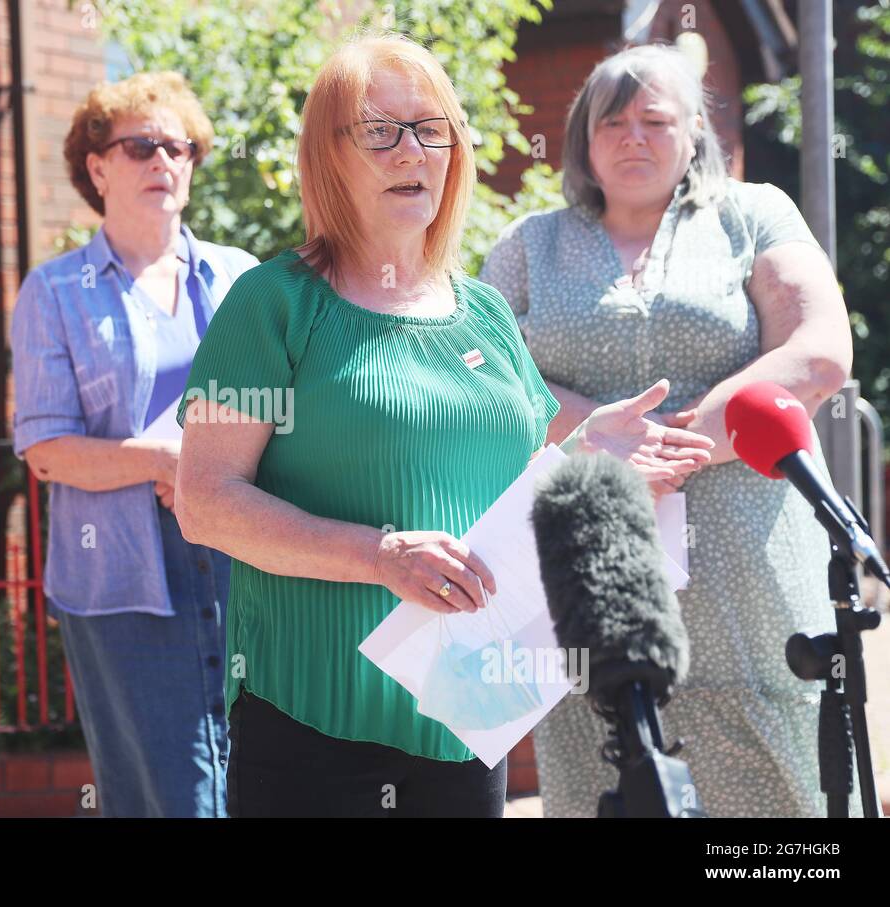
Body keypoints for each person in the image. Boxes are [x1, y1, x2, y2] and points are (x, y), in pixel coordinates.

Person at [172, 32, 714, 818]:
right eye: (380, 130)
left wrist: (595, 456)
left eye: (431, 128)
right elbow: (206, 500)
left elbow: (519, 490)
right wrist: (378, 555)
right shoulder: (272, 303)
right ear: (329, 155)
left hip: (468, 715)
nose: (411, 151)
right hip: (314, 720)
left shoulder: (486, 312)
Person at [480, 44, 857, 817]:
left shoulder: (754, 215)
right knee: (605, 764)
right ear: (584, 139)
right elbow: (481, 375)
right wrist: (602, 438)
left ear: (694, 135)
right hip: (594, 558)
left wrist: (681, 440)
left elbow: (818, 352)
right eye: (611, 121)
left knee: (775, 777)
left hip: (749, 562)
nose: (633, 137)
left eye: (655, 119)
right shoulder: (527, 245)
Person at [10, 72, 259, 817]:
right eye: (141, 145)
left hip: (244, 558)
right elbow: (45, 447)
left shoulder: (242, 277)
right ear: (96, 167)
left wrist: (221, 465)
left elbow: (285, 413)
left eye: (179, 147)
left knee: (258, 776)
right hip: (122, 572)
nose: (163, 162)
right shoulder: (54, 291)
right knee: (167, 790)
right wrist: (163, 462)